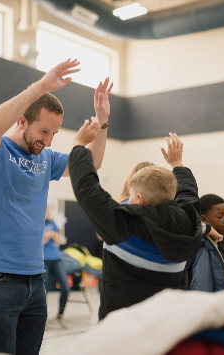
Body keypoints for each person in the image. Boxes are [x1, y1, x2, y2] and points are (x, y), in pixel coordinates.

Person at [0, 58, 112, 355]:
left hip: (34, 277)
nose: (48, 141)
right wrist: (41, 86)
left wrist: (103, 122)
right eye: (44, 131)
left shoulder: (45, 159)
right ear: (22, 121)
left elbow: (92, 163)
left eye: (54, 134)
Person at [69, 130, 202, 320]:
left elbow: (86, 188)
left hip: (124, 326)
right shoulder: (189, 220)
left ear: (139, 199)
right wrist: (177, 164)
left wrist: (78, 146)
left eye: (130, 194)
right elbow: (189, 192)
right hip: (170, 322)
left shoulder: (123, 224)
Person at [42, 206, 69, 329]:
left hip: (57, 258)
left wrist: (54, 235)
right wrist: (46, 236)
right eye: (47, 210)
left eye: (49, 210)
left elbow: (58, 241)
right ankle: (42, 319)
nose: (49, 212)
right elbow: (37, 243)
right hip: (43, 260)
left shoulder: (53, 223)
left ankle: (60, 315)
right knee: (44, 290)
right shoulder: (36, 223)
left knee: (65, 287)